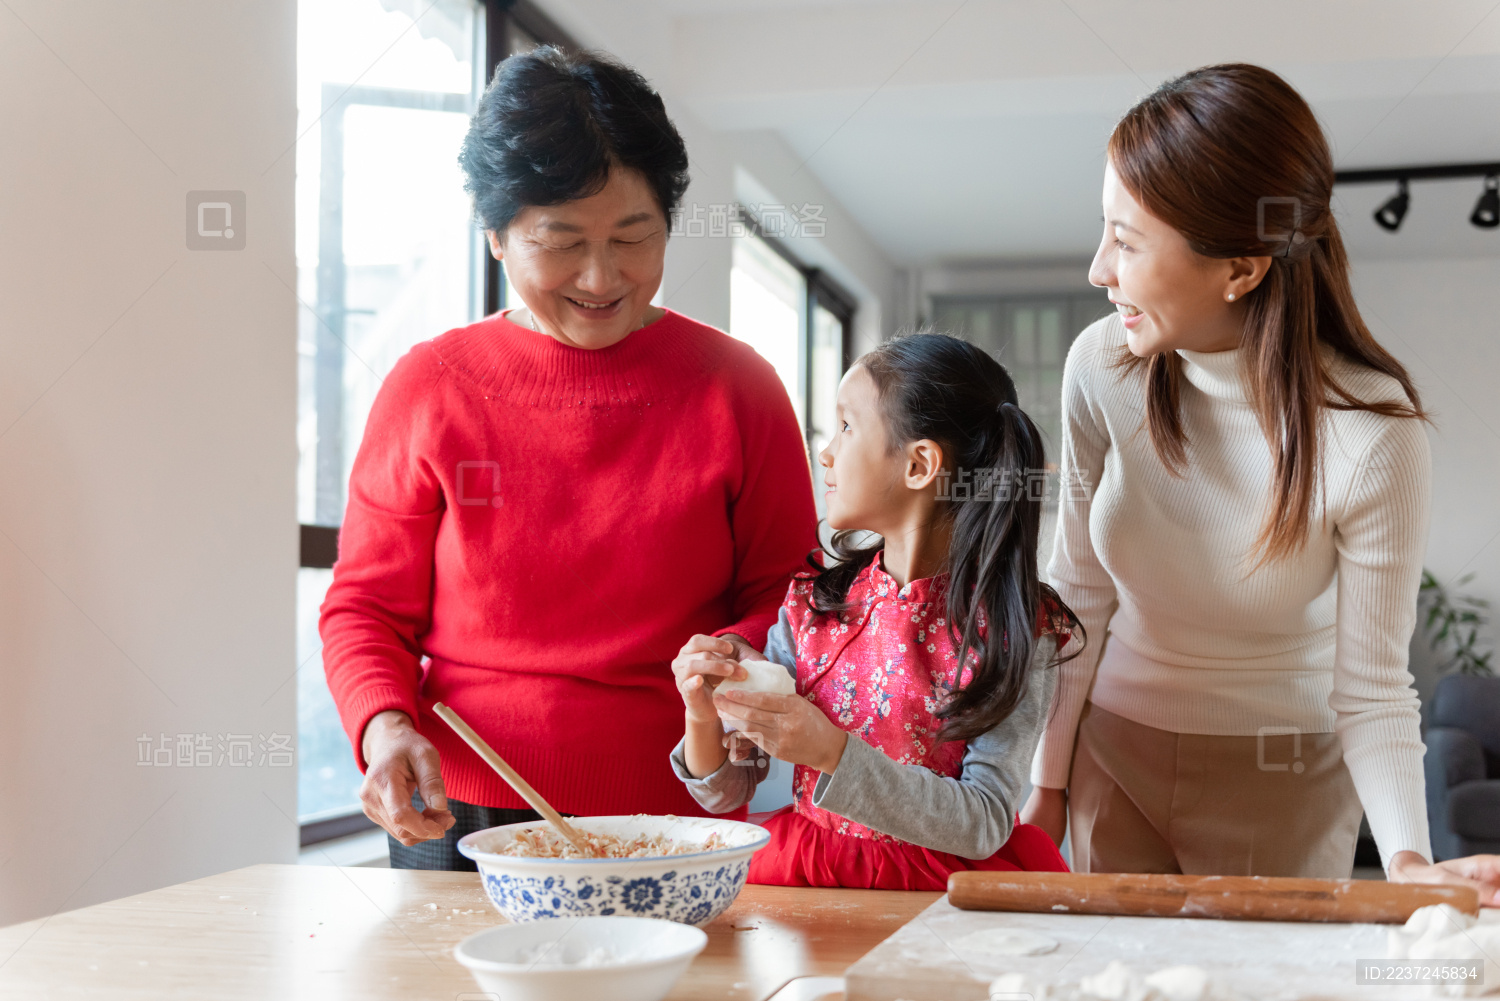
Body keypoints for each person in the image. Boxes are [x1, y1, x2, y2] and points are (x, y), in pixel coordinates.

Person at [319, 46, 816, 869]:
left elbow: (787, 596)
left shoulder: (739, 390)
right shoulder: (430, 388)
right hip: (462, 811)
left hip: (669, 815)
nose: (602, 276)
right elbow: (366, 606)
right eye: (562, 241)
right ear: (496, 236)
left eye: (634, 237)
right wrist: (384, 726)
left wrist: (727, 663)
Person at [1018, 64, 1475, 895]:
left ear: (1241, 267)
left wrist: (1409, 859)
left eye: (1126, 242)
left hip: (1286, 780)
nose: (1097, 270)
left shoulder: (1372, 437)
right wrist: (1044, 783)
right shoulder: (1101, 367)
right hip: (1111, 751)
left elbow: (1373, 685)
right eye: (1104, 231)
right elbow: (1076, 589)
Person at [669, 333, 1080, 891]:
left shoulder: (1015, 629)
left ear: (919, 464)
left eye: (846, 425)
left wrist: (830, 751)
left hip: (947, 894)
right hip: (809, 878)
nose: (825, 451)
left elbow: (983, 821)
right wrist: (702, 712)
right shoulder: (812, 606)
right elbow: (726, 793)